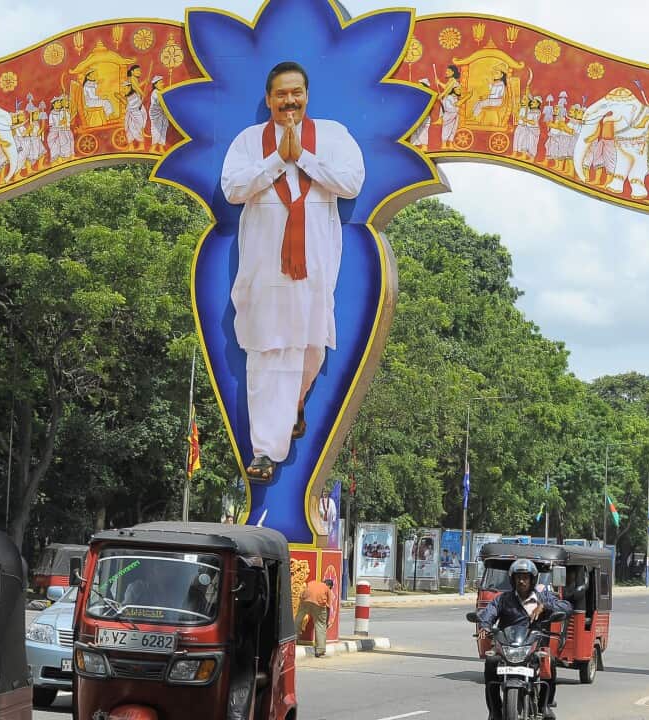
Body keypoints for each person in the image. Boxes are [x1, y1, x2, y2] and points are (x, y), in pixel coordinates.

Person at [220, 61, 365, 482]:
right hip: (264, 268)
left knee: (310, 347)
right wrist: (274, 163)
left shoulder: (333, 137)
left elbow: (352, 182)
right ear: (268, 99)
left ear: (306, 95)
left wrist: (301, 156)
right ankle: (265, 450)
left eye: (296, 93)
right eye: (281, 94)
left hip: (315, 268)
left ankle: (296, 401)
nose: (289, 101)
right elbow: (232, 188)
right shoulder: (249, 142)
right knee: (266, 353)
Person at [476, 559, 571, 720]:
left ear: (532, 579)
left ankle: (544, 706)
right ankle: (495, 710)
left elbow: (566, 607)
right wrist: (485, 626)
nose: (521, 581)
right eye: (518, 577)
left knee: (550, 661)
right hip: (508, 647)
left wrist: (545, 606)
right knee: (491, 662)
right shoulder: (503, 599)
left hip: (534, 646)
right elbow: (489, 612)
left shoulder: (542, 597)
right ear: (512, 579)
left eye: (525, 577)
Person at [295, 576, 333, 657]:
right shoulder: (327, 589)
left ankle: (292, 641)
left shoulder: (312, 582)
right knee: (320, 625)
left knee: (298, 620)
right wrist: (326, 622)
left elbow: (302, 593)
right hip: (319, 604)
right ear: (329, 586)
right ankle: (320, 650)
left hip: (305, 601)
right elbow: (328, 607)